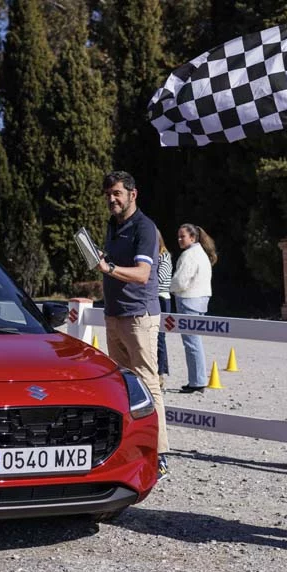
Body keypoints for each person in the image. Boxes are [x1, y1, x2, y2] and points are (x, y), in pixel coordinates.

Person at [95, 171, 169, 479]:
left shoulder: (144, 227)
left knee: (149, 385)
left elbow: (141, 274)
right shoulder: (114, 225)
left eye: (117, 193)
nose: (112, 199)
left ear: (132, 194)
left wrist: (108, 267)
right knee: (123, 386)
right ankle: (129, 448)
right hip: (114, 314)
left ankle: (160, 454)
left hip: (139, 316)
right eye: (108, 194)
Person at [171, 224, 217, 393]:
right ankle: (197, 379)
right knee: (194, 341)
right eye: (178, 236)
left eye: (182, 236)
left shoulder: (188, 255)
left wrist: (168, 287)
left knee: (191, 342)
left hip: (188, 300)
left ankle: (197, 381)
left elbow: (180, 282)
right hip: (201, 300)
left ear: (193, 237)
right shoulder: (202, 254)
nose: (179, 239)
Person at [155, 230, 172, 390]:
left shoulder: (164, 257)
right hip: (154, 298)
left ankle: (160, 372)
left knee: (160, 338)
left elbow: (160, 279)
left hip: (161, 298)